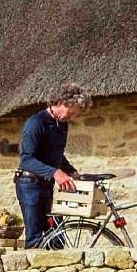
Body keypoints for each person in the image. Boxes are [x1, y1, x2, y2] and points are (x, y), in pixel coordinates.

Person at [15, 83, 93, 244]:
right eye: (71, 113)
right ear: (59, 102)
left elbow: (57, 155)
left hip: (48, 185)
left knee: (57, 236)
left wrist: (72, 172)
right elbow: (27, 159)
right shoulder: (35, 123)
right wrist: (56, 173)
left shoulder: (62, 125)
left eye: (75, 115)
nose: (72, 118)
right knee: (35, 238)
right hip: (30, 185)